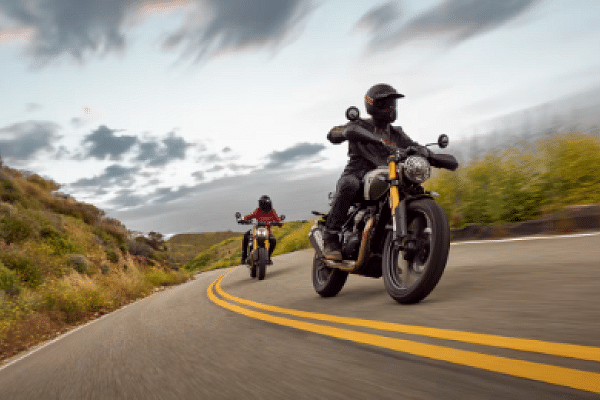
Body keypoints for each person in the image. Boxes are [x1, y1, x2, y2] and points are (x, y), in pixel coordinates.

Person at [323, 83, 431, 261]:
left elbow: (413, 146)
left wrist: (427, 153)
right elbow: (333, 133)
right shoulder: (359, 124)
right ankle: (331, 236)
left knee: (413, 189)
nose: (390, 108)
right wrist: (346, 132)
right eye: (385, 103)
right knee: (349, 184)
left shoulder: (396, 133)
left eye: (393, 103)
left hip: (389, 176)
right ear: (372, 105)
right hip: (358, 173)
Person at [241, 195, 282, 264]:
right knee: (246, 235)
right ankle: (244, 256)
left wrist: (279, 223)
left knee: (273, 241)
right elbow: (250, 216)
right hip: (256, 230)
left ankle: (268, 256)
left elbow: (278, 220)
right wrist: (242, 219)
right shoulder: (258, 211)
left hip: (267, 232)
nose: (266, 206)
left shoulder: (272, 211)